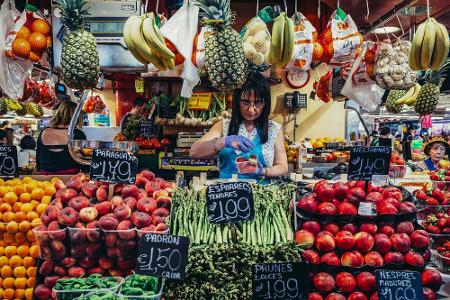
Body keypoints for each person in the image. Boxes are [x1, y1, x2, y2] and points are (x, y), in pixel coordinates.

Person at [190, 73, 288, 182]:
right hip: (227, 194)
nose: (251, 109)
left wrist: (263, 171)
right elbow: (194, 151)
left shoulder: (273, 129)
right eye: (245, 102)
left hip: (261, 194)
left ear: (265, 103)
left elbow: (283, 167)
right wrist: (223, 141)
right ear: (237, 101)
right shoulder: (224, 125)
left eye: (258, 103)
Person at [36, 101, 86, 174]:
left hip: (46, 180)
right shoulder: (78, 134)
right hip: (70, 179)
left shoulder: (44, 132)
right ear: (77, 116)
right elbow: (83, 160)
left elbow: (38, 157)